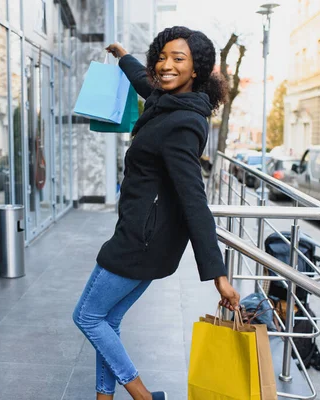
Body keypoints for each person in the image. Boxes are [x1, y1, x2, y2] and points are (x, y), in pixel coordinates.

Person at [72, 27, 240, 400]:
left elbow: (194, 200)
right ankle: (104, 397)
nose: (166, 66)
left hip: (139, 242)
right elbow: (144, 84)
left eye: (178, 59)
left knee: (87, 316)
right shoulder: (171, 101)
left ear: (196, 69)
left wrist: (218, 275)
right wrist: (123, 56)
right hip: (149, 238)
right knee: (108, 321)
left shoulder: (182, 123)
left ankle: (142, 395)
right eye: (161, 57)